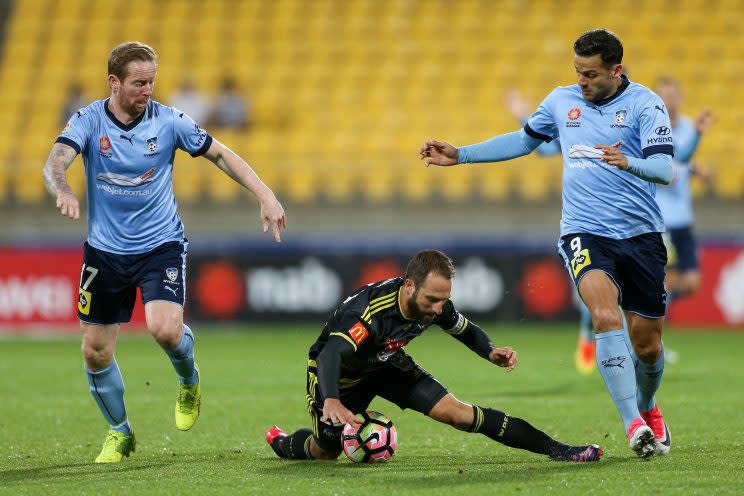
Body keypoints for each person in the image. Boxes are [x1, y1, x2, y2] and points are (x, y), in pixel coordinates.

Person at [420, 29, 673, 459]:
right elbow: (523, 141)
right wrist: (460, 154)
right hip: (584, 231)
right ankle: (633, 423)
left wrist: (627, 161)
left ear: (617, 70)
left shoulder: (646, 105)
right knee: (604, 313)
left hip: (641, 236)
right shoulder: (561, 101)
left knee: (647, 343)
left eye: (591, 74)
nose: (582, 82)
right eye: (577, 72)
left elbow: (665, 169)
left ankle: (648, 405)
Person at [42, 42, 286, 463]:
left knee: (165, 330)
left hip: (161, 245)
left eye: (152, 81)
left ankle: (189, 380)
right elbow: (54, 163)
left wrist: (265, 194)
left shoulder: (170, 121)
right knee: (94, 350)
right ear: (113, 83)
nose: (148, 90)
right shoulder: (87, 120)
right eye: (139, 82)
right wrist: (63, 190)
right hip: (104, 253)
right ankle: (120, 432)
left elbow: (221, 155)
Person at [266, 250, 602, 463]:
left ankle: (559, 449)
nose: (439, 309)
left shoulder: (434, 304)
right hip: (340, 377)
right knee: (325, 452)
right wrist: (333, 401)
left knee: (458, 414)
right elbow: (330, 355)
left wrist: (490, 351)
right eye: (432, 300)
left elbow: (465, 329)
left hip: (386, 364)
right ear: (409, 286)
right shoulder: (369, 315)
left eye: (444, 300)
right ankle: (284, 443)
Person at [504, 89, 598, 375]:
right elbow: (543, 148)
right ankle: (588, 334)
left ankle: (634, 351)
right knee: (595, 288)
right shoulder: (578, 123)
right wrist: (523, 114)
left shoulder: (635, 119)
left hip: (628, 218)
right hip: (587, 218)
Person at [654, 77, 714, 314]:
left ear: (679, 98)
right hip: (661, 220)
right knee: (665, 281)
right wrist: (691, 165)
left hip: (683, 220)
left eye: (672, 95)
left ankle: (646, 316)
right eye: (664, 96)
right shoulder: (652, 128)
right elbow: (674, 161)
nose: (669, 100)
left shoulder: (688, 126)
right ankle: (654, 341)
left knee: (691, 283)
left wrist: (693, 168)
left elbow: (680, 160)